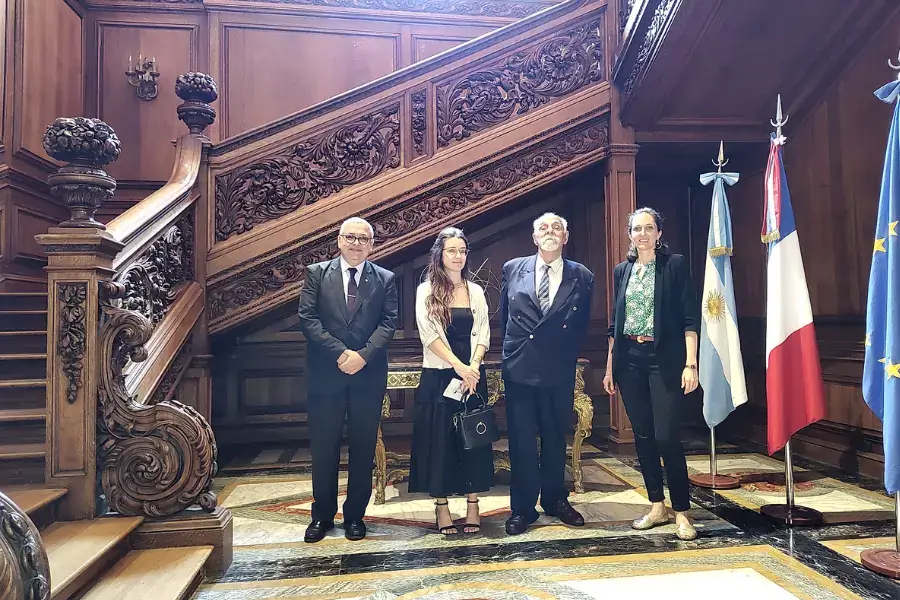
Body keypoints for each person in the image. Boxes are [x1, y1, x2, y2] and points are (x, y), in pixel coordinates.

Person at [297, 216, 399, 543]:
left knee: (363, 448)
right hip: (326, 375)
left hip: (367, 376)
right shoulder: (316, 274)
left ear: (371, 244)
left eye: (363, 239)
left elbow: (388, 323)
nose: (356, 244)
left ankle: (355, 516)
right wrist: (341, 354)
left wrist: (362, 356)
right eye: (350, 238)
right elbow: (308, 319)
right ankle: (322, 516)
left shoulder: (385, 279)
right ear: (339, 241)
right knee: (324, 449)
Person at [603, 207, 701, 541]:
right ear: (629, 234)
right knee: (642, 437)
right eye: (636, 229)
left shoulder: (674, 265)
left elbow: (690, 319)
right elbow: (615, 323)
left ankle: (683, 513)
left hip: (665, 360)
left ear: (659, 233)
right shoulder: (622, 270)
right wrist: (609, 366)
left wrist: (691, 364)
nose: (642, 234)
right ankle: (656, 505)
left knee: (666, 437)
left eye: (649, 228)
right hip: (629, 359)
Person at [499, 212, 594, 536]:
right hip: (521, 366)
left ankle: (555, 499)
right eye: (543, 228)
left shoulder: (582, 275)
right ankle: (522, 508)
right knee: (522, 441)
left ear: (565, 237)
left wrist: (564, 352)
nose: (550, 232)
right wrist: (511, 354)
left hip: (558, 367)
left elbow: (581, 325)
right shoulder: (513, 268)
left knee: (555, 438)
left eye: (557, 228)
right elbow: (505, 318)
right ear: (534, 237)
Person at [408, 227, 494, 535]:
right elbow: (429, 335)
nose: (457, 256)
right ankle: (441, 507)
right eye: (451, 251)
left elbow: (483, 332)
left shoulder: (476, 290)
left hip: (471, 376)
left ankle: (473, 504)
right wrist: (459, 366)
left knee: (473, 440)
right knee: (440, 442)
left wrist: (473, 366)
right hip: (440, 374)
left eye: (461, 251)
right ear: (440, 255)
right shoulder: (426, 291)